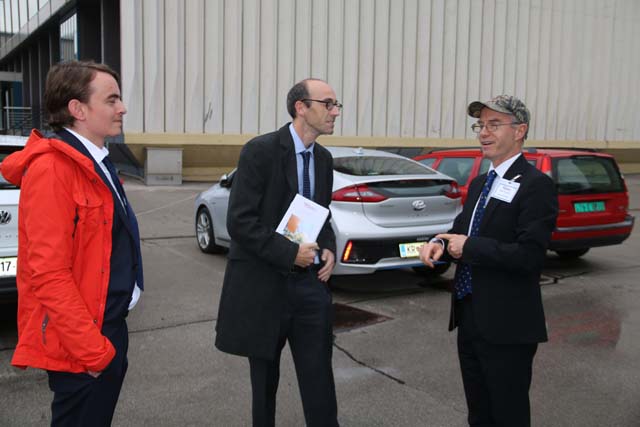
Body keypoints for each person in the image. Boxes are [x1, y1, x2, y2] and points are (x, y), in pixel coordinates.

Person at [1, 60, 143, 426]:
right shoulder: (53, 170)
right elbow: (48, 274)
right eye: (111, 100)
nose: (122, 108)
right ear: (78, 109)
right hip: (85, 344)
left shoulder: (96, 163)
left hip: (108, 329)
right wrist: (93, 352)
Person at [419, 95, 558, 426]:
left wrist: (469, 247)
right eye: (480, 125)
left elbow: (529, 255)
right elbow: (460, 231)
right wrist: (438, 243)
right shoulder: (482, 183)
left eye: (494, 124)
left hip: (508, 325)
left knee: (508, 415)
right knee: (479, 414)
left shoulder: (536, 185)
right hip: (469, 317)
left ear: (519, 130)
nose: (483, 132)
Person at [215, 78, 341, 427]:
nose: (335, 112)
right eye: (328, 104)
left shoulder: (324, 159)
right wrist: (290, 254)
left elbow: (321, 214)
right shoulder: (261, 151)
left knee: (319, 379)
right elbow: (240, 221)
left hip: (310, 287)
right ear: (301, 107)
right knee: (264, 385)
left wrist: (329, 247)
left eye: (336, 105)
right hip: (265, 285)